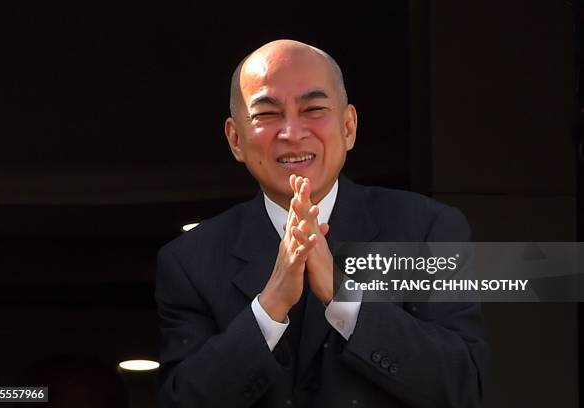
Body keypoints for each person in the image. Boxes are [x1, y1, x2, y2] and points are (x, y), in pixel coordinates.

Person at [155, 39, 489, 408]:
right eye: (267, 114)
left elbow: (463, 386)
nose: (292, 132)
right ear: (236, 139)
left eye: (313, 109)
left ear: (349, 127)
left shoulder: (427, 229)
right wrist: (269, 307)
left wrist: (343, 296)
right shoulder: (190, 261)